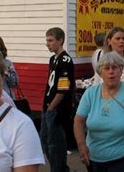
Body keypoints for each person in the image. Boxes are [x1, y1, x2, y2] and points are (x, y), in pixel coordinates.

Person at [74, 52, 124, 171]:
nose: (111, 71)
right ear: (100, 73)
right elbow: (78, 121)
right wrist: (81, 146)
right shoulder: (91, 93)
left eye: (115, 68)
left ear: (121, 71)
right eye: (106, 68)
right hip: (94, 158)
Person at [40, 27, 75, 172]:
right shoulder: (52, 59)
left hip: (56, 109)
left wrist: (51, 107)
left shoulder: (65, 60)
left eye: (50, 40)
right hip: (47, 106)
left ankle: (60, 169)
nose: (47, 44)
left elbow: (63, 88)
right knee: (45, 142)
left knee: (55, 144)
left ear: (60, 40)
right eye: (46, 40)